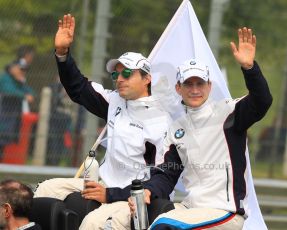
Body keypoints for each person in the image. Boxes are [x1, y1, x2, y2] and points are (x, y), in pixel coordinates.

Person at [34, 14, 172, 229]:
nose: (120, 79)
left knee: (91, 223)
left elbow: (163, 177)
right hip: (101, 183)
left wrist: (112, 194)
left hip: (130, 195)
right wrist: (62, 53)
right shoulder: (114, 100)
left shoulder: (162, 120)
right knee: (43, 191)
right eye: (116, 75)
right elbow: (78, 87)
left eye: (127, 73)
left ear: (147, 78)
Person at [129, 27, 272, 229]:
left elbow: (262, 101)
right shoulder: (176, 129)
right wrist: (148, 191)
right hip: (192, 209)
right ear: (178, 88)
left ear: (209, 86)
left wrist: (250, 69)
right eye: (188, 84)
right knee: (140, 217)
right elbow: (166, 174)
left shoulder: (229, 113)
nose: (195, 90)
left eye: (200, 83)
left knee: (164, 226)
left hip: (225, 212)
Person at [0, 48, 35, 159]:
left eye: (24, 70)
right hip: (3, 117)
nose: (22, 72)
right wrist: (24, 95)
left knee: (3, 145)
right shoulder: (6, 78)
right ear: (12, 68)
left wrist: (23, 87)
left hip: (10, 119)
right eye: (20, 69)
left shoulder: (19, 82)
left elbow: (30, 92)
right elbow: (8, 90)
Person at [46, 76, 73, 166]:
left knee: (64, 144)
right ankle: (52, 163)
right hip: (56, 120)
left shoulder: (74, 86)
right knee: (54, 142)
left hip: (68, 120)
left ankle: (61, 163)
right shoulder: (55, 87)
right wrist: (61, 91)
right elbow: (53, 103)